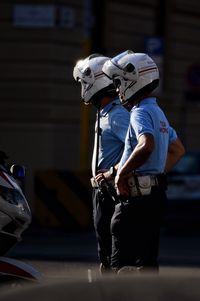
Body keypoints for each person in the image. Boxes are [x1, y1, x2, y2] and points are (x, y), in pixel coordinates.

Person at [102, 50, 185, 273]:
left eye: (119, 82)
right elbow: (177, 150)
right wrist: (154, 175)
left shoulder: (139, 113)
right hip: (155, 198)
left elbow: (145, 145)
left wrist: (121, 175)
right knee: (147, 264)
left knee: (121, 267)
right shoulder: (158, 112)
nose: (118, 89)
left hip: (135, 202)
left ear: (133, 80)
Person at [73, 54, 130, 274]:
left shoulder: (116, 114)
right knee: (105, 253)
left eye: (83, 82)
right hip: (103, 191)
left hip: (111, 191)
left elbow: (137, 148)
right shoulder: (106, 113)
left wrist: (114, 173)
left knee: (113, 256)